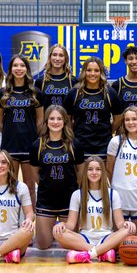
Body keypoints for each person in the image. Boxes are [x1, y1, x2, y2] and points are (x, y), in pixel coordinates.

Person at [55, 156, 136, 263]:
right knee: (57, 233)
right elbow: (71, 224)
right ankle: (103, 253)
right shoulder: (77, 194)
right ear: (85, 172)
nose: (94, 172)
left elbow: (120, 223)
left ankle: (88, 254)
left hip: (107, 237)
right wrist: (62, 225)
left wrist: (127, 224)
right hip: (85, 237)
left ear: (103, 172)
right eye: (90, 169)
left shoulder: (112, 194)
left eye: (98, 169)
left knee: (129, 230)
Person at [30, 104, 81, 250]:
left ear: (65, 121)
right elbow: (35, 173)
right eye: (52, 118)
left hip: (68, 200)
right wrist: (48, 184)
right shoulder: (37, 146)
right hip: (46, 200)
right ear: (46, 121)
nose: (55, 122)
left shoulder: (74, 145)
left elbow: (80, 172)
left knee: (70, 246)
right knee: (43, 245)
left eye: (59, 119)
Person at [0, 54, 43, 196]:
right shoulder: (2, 94)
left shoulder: (35, 93)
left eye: (22, 66)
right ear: (10, 69)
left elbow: (40, 120)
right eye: (15, 65)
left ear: (27, 70)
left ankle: (32, 217)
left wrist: (34, 137)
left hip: (29, 144)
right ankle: (13, 217)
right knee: (11, 184)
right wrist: (10, 133)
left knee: (30, 186)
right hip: (10, 144)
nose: (19, 68)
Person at [67, 56, 120, 158]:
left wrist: (108, 131)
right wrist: (74, 135)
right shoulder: (74, 93)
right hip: (80, 142)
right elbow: (67, 119)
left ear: (101, 73)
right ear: (84, 72)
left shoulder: (109, 93)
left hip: (103, 144)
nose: (92, 74)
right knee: (81, 174)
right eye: (89, 70)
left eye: (96, 70)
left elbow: (118, 118)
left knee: (102, 174)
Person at [35, 43, 74, 110]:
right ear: (50, 57)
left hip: (66, 120)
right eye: (54, 55)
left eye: (61, 55)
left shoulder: (73, 81)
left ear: (66, 59)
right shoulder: (40, 81)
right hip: (47, 120)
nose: (57, 58)